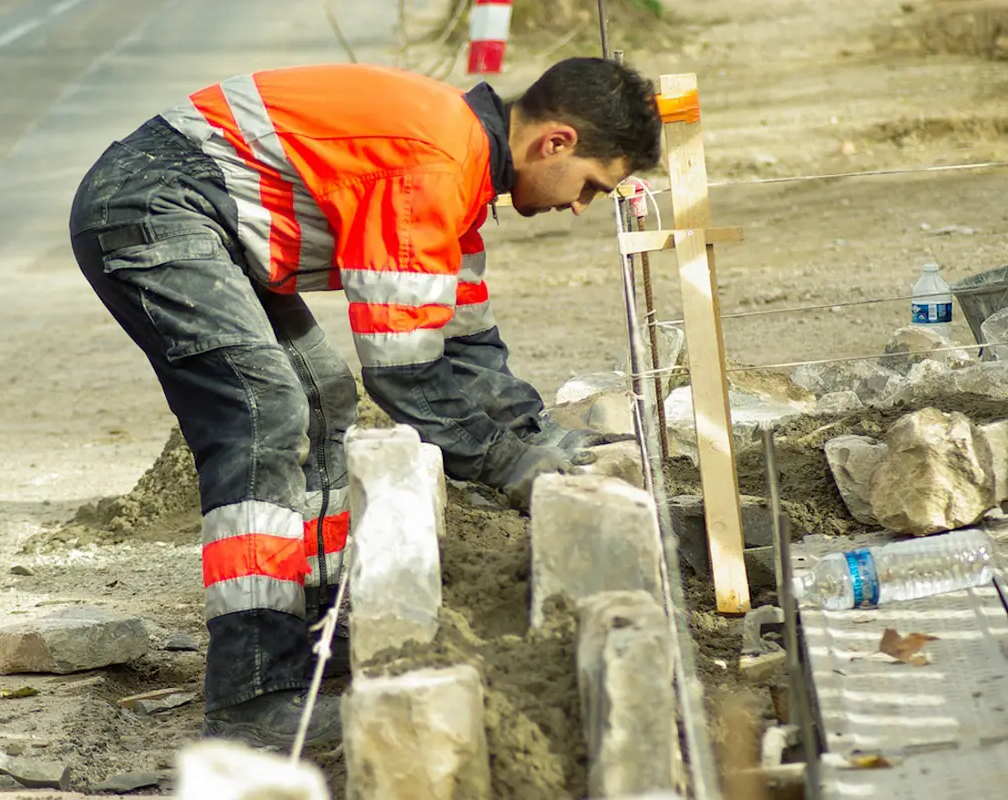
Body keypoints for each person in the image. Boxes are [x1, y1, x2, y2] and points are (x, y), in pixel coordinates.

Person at [68, 56, 662, 750]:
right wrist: (510, 466)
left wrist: (544, 440)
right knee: (265, 412)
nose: (579, 205)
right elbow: (404, 373)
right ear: (554, 141)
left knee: (320, 399)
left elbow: (466, 343)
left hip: (195, 211)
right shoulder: (434, 162)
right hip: (152, 203)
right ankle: (252, 698)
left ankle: (315, 637)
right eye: (592, 186)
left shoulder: (461, 165)